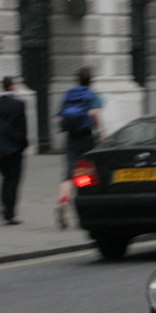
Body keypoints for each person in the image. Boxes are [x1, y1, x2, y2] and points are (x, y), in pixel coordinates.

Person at [56, 67, 103, 229]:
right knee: (85, 172)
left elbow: (61, 116)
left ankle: (63, 202)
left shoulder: (68, 95)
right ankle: (87, 210)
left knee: (69, 173)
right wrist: (100, 131)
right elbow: (94, 114)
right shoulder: (93, 96)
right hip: (87, 137)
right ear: (91, 80)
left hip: (71, 138)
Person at [0, 76, 28, 225]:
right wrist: (23, 144)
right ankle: (9, 212)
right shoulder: (18, 104)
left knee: (5, 180)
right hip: (13, 150)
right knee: (11, 181)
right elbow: (23, 127)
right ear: (12, 87)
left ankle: (5, 208)